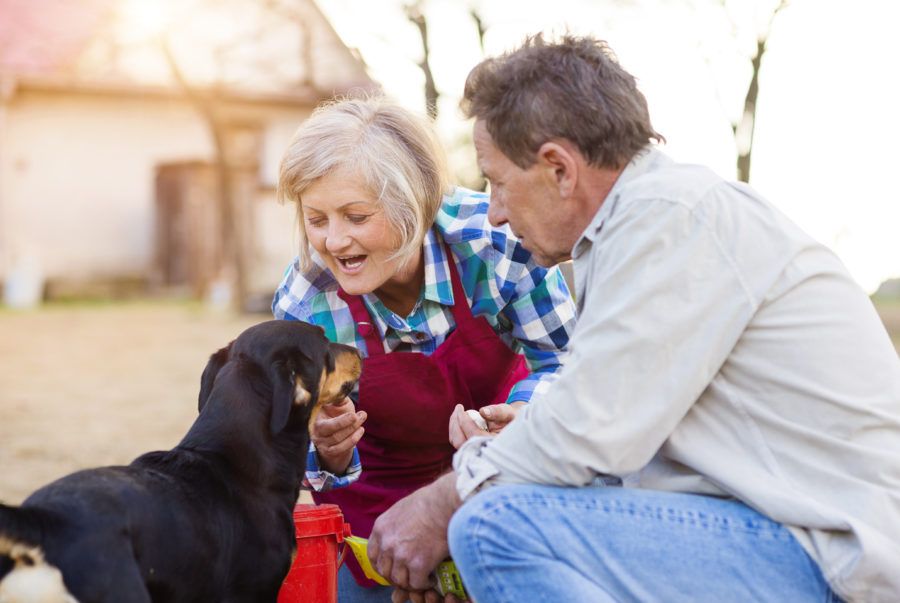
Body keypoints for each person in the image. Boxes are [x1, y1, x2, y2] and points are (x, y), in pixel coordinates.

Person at [367, 34, 900, 603]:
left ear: (559, 170)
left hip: (833, 551)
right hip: (781, 529)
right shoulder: (640, 228)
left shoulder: (670, 221)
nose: (494, 212)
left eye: (497, 181)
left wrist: (444, 501)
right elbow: (614, 435)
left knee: (494, 526)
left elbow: (590, 431)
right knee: (505, 515)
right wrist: (521, 444)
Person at [272, 96, 577, 603]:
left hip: (495, 488)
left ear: (413, 203)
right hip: (373, 526)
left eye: (355, 215)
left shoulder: (496, 244)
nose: (334, 240)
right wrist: (324, 447)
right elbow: (285, 440)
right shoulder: (306, 300)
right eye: (317, 218)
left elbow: (568, 362)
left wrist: (525, 410)